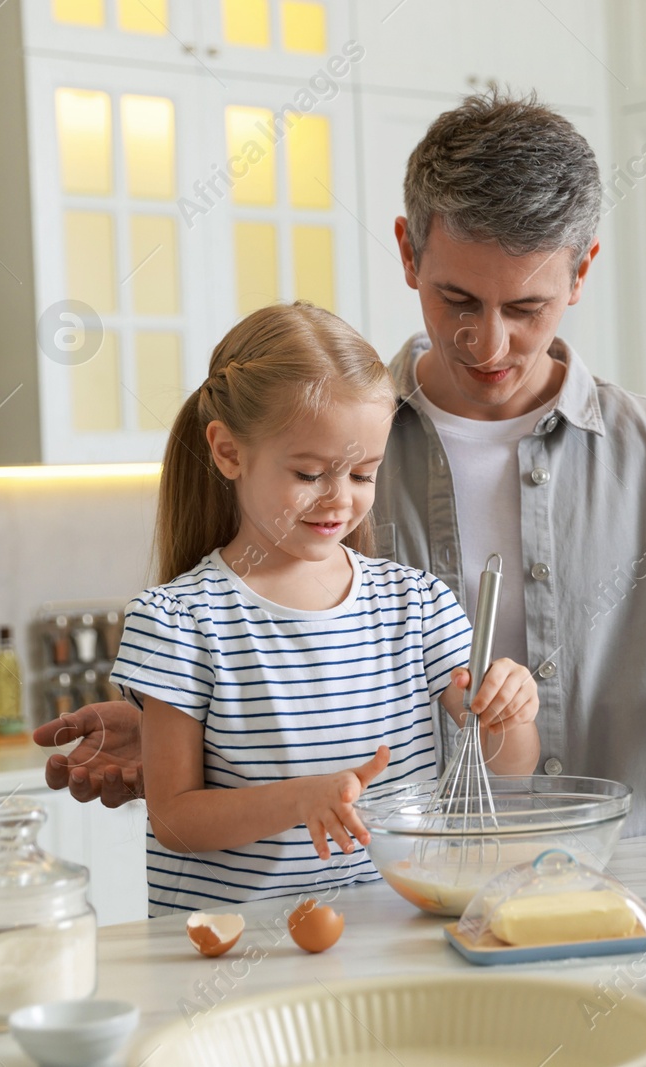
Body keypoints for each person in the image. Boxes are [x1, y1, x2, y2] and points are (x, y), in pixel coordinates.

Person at [37, 91, 646, 837]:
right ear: (408, 252)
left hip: (637, 886)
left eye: (526, 309)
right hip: (403, 908)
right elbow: (279, 664)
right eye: (458, 301)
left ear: (581, 271)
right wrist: (184, 734)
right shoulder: (322, 455)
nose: (489, 344)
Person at [109, 303, 538, 914]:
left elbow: (506, 768)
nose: (339, 500)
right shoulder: (178, 622)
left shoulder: (416, 606)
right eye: (310, 473)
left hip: (387, 942)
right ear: (228, 452)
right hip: (230, 958)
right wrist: (299, 800)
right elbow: (176, 820)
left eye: (363, 474)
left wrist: (509, 712)